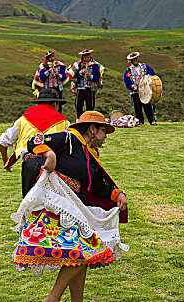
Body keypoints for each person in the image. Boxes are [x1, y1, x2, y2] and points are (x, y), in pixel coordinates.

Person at [11, 111, 128, 302]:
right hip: (59, 207)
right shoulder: (68, 139)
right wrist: (49, 153)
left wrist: (117, 194)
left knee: (80, 256)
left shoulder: (89, 154)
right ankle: (53, 298)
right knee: (85, 252)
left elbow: (98, 185)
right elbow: (34, 140)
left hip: (75, 206)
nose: (105, 135)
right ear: (92, 129)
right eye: (103, 130)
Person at [0, 88, 69, 197]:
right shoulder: (64, 122)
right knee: (55, 204)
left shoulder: (23, 120)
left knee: (30, 204)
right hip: (55, 165)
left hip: (30, 164)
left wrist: (5, 160)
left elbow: (3, 141)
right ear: (55, 103)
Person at [67, 49, 106, 119]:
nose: (87, 58)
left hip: (90, 89)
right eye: (85, 57)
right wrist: (80, 73)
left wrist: (91, 76)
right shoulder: (78, 65)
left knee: (90, 105)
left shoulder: (94, 65)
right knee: (79, 104)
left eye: (88, 56)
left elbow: (97, 76)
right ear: (83, 57)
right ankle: (79, 119)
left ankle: (89, 119)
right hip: (80, 88)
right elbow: (73, 75)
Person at [124, 51, 157, 125]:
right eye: (133, 60)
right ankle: (140, 121)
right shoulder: (128, 70)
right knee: (137, 107)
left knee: (147, 106)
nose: (135, 61)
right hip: (135, 91)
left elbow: (152, 72)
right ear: (131, 61)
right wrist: (131, 86)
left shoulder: (144, 66)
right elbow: (127, 81)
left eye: (136, 59)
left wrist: (147, 78)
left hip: (145, 90)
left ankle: (151, 120)